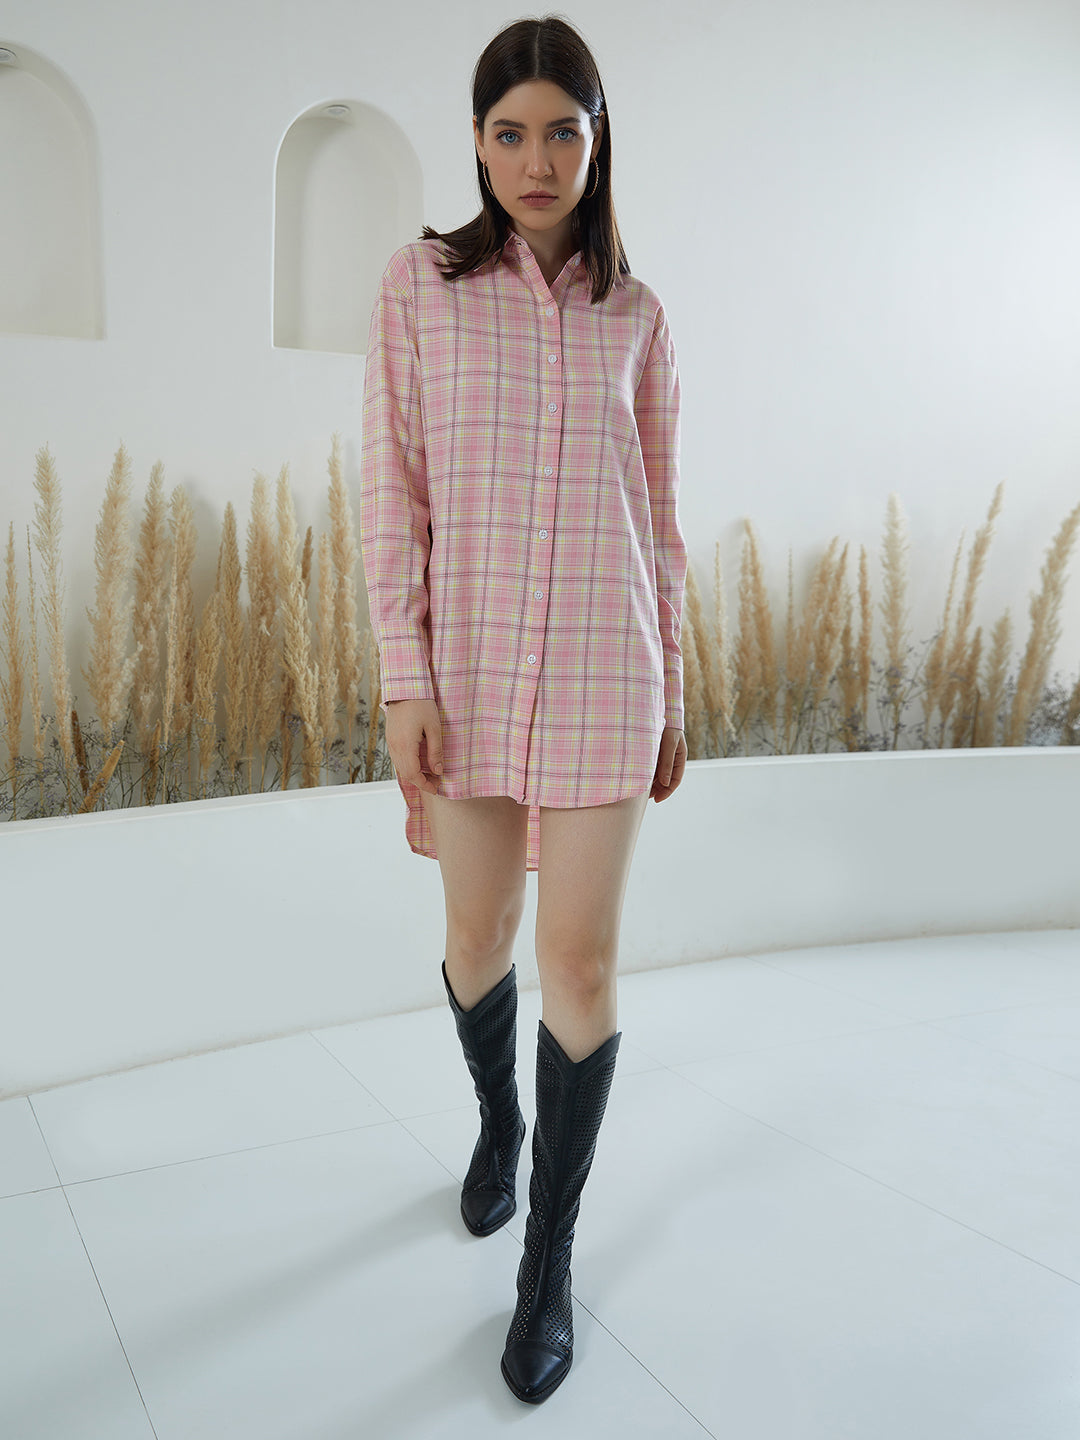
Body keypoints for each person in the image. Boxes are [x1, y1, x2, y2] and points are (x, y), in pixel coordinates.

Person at [359, 13, 686, 1405]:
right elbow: (391, 491)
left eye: (562, 131)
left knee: (584, 969)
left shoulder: (639, 316)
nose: (536, 160)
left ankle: (546, 1265)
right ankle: (499, 1125)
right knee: (479, 935)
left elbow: (659, 518)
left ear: (597, 141)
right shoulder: (420, 288)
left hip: (613, 669)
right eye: (510, 133)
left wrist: (678, 687)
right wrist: (404, 675)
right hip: (474, 674)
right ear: (479, 144)